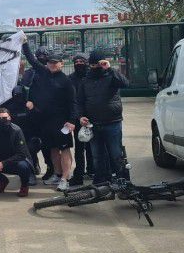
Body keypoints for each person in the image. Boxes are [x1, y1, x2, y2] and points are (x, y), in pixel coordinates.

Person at [22, 38, 77, 192]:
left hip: (62, 122)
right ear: (47, 63)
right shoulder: (43, 72)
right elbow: (31, 59)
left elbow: (73, 103)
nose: (53, 64)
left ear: (62, 64)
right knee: (53, 149)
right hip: (46, 121)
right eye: (50, 62)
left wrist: (72, 120)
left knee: (65, 149)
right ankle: (58, 174)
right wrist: (24, 42)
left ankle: (65, 178)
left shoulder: (66, 81)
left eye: (56, 62)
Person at [77, 49, 129, 184]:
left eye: (98, 64)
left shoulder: (112, 76)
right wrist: (81, 116)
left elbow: (125, 83)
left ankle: (123, 179)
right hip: (93, 123)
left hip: (112, 122)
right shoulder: (85, 80)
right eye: (93, 65)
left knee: (116, 153)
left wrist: (110, 69)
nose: (95, 67)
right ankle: (101, 180)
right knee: (97, 155)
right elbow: (80, 101)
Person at [20, 45, 54, 181]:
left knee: (47, 145)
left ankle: (51, 168)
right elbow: (22, 91)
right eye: (39, 56)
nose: (41, 59)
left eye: (44, 56)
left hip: (46, 116)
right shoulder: (28, 73)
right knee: (30, 144)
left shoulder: (49, 73)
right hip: (29, 116)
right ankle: (34, 166)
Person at [69, 53, 94, 185]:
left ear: (87, 62)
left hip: (93, 116)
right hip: (78, 117)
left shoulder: (92, 76)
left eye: (82, 61)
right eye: (76, 61)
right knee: (79, 148)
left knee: (93, 146)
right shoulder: (70, 79)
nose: (79, 63)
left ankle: (92, 170)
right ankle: (79, 173)